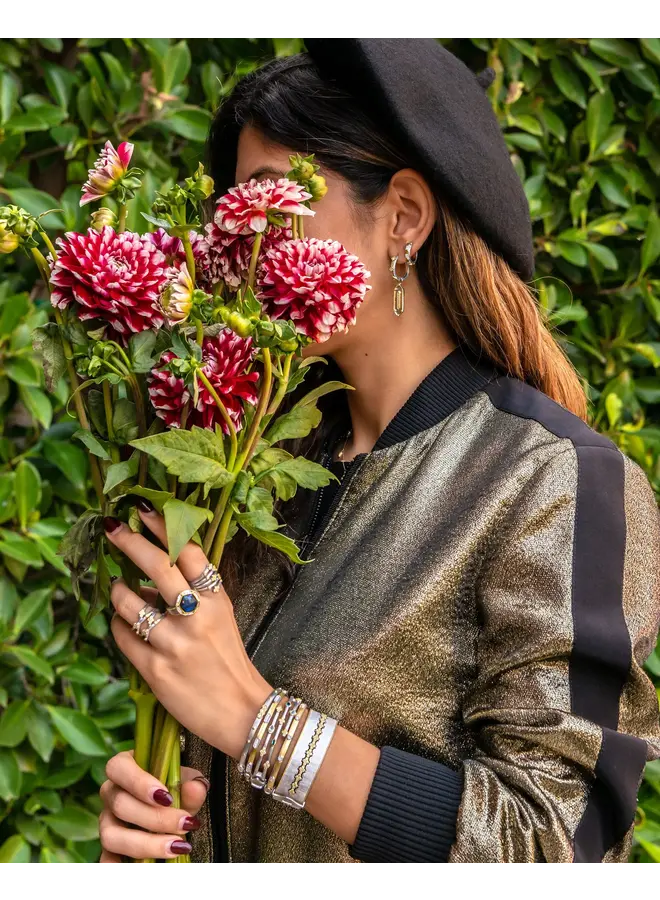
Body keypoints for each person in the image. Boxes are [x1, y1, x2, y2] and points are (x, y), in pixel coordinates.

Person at [97, 35, 660, 865]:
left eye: (276, 204)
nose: (246, 251)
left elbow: (555, 838)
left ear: (403, 216)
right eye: (238, 217)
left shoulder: (553, 480)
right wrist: (154, 831)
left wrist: (256, 721)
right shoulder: (251, 478)